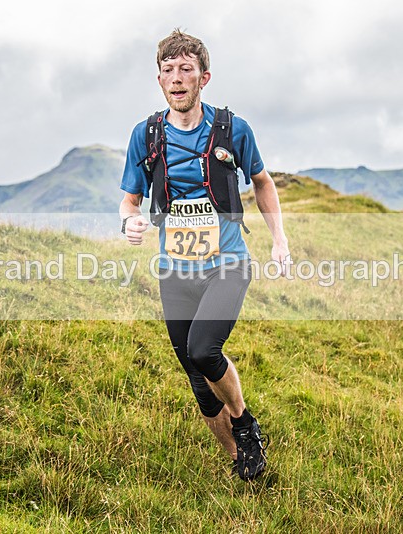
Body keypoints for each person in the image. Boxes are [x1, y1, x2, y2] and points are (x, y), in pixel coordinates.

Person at [118, 29, 289, 481]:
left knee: (203, 350)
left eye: (186, 69)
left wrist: (280, 241)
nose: (176, 78)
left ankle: (244, 422)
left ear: (203, 77)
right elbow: (129, 202)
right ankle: (241, 461)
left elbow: (263, 183)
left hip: (227, 262)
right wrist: (129, 221)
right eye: (168, 70)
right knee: (196, 376)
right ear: (160, 80)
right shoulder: (146, 135)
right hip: (174, 271)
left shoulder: (232, 129)